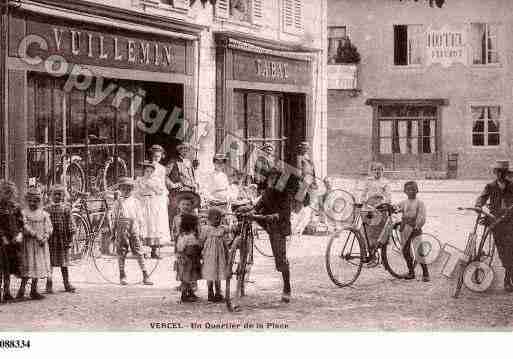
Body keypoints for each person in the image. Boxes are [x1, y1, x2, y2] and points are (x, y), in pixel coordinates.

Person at [245, 167, 293, 303]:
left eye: (274, 179)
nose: (271, 181)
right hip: (268, 222)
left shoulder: (285, 194)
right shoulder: (267, 192)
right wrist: (252, 211)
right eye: (270, 179)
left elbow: (285, 213)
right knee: (247, 215)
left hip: (279, 226)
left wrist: (275, 215)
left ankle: (287, 287)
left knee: (280, 261)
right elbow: (259, 205)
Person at [475, 160, 513, 292]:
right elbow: (482, 197)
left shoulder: (512, 185)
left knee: (509, 250)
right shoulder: (490, 186)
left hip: (509, 221)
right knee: (502, 250)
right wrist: (478, 205)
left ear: (506, 173)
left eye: (503, 172)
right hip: (496, 221)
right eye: (498, 172)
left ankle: (507, 280)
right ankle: (509, 273)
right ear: (495, 172)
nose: (500, 174)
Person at [112, 177, 153, 286]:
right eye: (124, 189)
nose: (126, 191)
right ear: (120, 189)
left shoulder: (135, 202)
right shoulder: (117, 203)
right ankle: (122, 274)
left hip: (134, 226)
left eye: (129, 189)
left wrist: (142, 231)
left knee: (139, 250)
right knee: (121, 250)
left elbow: (140, 218)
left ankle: (145, 274)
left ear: (132, 189)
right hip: (121, 227)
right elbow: (114, 217)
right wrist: (113, 231)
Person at [18, 187, 52, 300]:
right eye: (30, 201)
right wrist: (35, 235)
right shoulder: (24, 213)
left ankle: (33, 290)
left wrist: (45, 236)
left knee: (37, 265)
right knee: (28, 265)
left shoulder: (43, 214)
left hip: (40, 244)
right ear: (27, 200)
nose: (32, 203)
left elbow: (49, 227)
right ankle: (21, 290)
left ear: (39, 201)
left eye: (35, 201)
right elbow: (25, 226)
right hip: (29, 243)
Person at [45, 185, 77, 293]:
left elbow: (71, 224)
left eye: (60, 194)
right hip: (50, 239)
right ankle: (49, 283)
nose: (57, 196)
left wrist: (71, 238)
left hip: (63, 239)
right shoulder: (47, 209)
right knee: (49, 263)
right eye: (55, 194)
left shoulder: (66, 208)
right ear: (51, 195)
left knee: (64, 263)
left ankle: (66, 283)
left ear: (63, 195)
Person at [396, 181, 429, 282]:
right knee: (405, 251)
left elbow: (422, 215)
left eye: (413, 189)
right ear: (405, 191)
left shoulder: (420, 203)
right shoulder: (404, 202)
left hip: (415, 229)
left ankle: (425, 273)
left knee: (419, 251)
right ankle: (411, 272)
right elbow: (396, 208)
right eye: (408, 190)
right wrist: (394, 208)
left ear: (417, 190)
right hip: (405, 229)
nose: (411, 191)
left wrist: (418, 225)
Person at [171, 191, 201, 293]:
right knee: (182, 264)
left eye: (188, 204)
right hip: (180, 243)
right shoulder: (176, 218)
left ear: (192, 206)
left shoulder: (195, 218)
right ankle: (183, 284)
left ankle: (192, 284)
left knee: (193, 265)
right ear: (179, 205)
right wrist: (176, 240)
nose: (185, 206)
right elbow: (174, 231)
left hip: (191, 244)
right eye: (183, 204)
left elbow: (198, 231)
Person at [361, 162, 391, 259]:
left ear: (383, 171)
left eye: (380, 170)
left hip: (380, 208)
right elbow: (364, 193)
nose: (377, 172)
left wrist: (385, 203)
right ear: (371, 171)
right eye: (375, 170)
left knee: (379, 233)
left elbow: (388, 196)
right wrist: (363, 201)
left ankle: (379, 255)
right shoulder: (368, 181)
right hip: (369, 207)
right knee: (367, 232)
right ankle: (369, 254)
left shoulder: (385, 182)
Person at [200, 208, 232, 303]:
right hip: (209, 255)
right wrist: (200, 251)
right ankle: (210, 292)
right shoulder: (206, 229)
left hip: (221, 255)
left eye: (219, 219)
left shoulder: (222, 228)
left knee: (219, 272)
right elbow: (201, 240)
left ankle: (218, 293)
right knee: (210, 273)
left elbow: (232, 229)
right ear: (208, 219)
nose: (217, 221)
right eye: (214, 218)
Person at [136, 161, 167, 255]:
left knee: (153, 225)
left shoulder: (156, 181)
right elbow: (135, 192)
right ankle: (143, 250)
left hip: (153, 203)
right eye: (147, 171)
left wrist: (153, 188)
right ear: (144, 171)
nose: (149, 173)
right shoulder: (139, 180)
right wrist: (141, 195)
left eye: (151, 171)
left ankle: (155, 250)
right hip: (143, 203)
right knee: (144, 225)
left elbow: (161, 192)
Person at [0, 181, 24, 302]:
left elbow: (21, 222)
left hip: (13, 242)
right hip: (2, 242)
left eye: (11, 193)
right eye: (6, 193)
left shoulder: (16, 207)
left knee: (10, 267)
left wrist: (19, 234)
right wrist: (2, 236)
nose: (8, 195)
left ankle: (7, 291)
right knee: (2, 267)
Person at [148, 145, 171, 259]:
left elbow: (163, 182)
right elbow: (146, 180)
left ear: (161, 156)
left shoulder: (162, 168)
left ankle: (156, 249)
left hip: (160, 197)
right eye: (154, 155)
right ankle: (149, 248)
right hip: (151, 196)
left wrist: (166, 195)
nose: (156, 157)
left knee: (159, 222)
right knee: (151, 222)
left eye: (158, 156)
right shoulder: (148, 166)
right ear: (151, 155)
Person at [167, 142, 199, 222]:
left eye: (186, 150)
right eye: (183, 149)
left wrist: (195, 185)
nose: (185, 152)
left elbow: (192, 177)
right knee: (178, 215)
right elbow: (164, 175)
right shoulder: (173, 161)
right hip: (180, 192)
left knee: (191, 214)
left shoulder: (189, 162)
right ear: (179, 151)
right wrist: (172, 184)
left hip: (190, 192)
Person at [175, 213, 202, 303]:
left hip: (193, 259)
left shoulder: (192, 235)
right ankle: (184, 295)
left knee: (191, 277)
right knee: (186, 278)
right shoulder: (184, 236)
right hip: (187, 260)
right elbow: (180, 248)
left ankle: (190, 293)